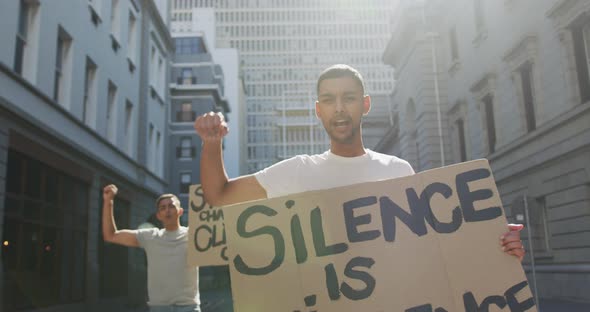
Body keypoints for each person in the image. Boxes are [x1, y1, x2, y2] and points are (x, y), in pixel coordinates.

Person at [194, 64, 525, 261]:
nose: (339, 108)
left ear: (365, 105)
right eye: (329, 100)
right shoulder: (297, 171)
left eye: (348, 98)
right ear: (318, 110)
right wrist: (212, 143)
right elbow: (219, 196)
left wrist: (496, 248)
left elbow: (432, 252)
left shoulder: (398, 172)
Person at [102, 185, 200, 312]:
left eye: (171, 206)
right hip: (159, 307)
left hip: (189, 307)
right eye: (163, 208)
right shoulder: (150, 236)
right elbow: (110, 235)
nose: (167, 210)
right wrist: (108, 201)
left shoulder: (194, 235)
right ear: (159, 215)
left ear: (180, 211)